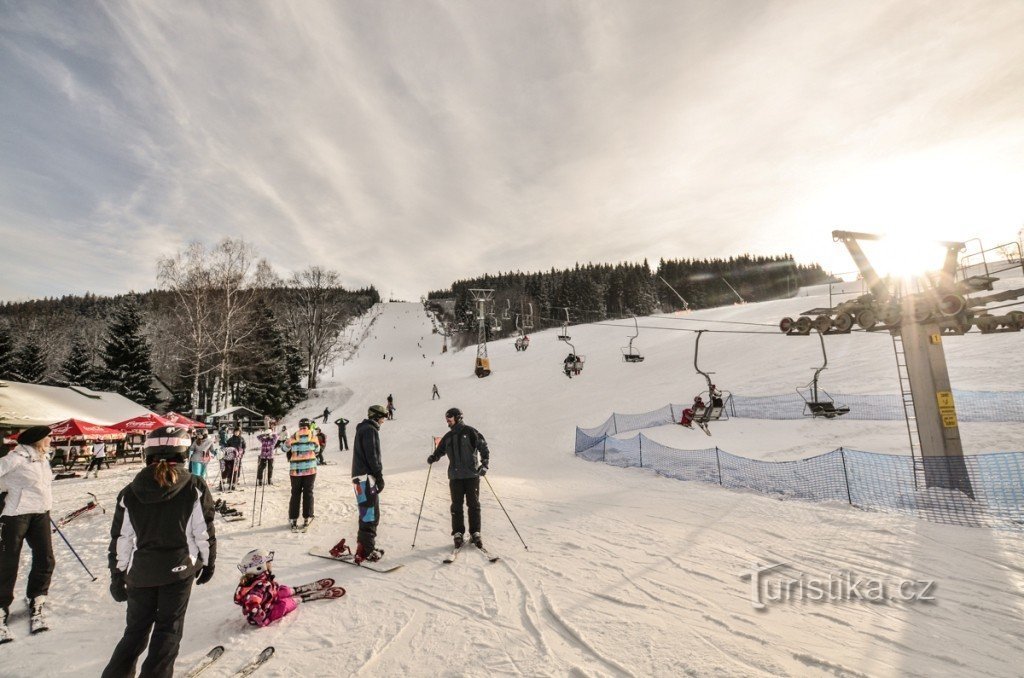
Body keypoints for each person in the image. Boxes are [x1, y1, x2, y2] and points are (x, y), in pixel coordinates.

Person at [102, 425, 215, 678]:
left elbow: (122, 539)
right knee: (168, 630)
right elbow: (203, 531)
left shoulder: (130, 491)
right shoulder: (194, 486)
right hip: (179, 570)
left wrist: (117, 575)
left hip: (141, 572)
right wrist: (208, 562)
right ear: (183, 453)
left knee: (135, 631)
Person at [0, 425, 56, 640]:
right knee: (7, 562)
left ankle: (37, 598)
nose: (51, 440)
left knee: (46, 558)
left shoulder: (43, 458)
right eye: (49, 437)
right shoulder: (15, 458)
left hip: (40, 513)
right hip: (15, 515)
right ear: (38, 439)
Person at [427, 407, 491, 549]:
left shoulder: (470, 432)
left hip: (471, 475)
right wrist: (434, 457)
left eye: (450, 419)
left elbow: (483, 447)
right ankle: (458, 533)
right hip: (455, 477)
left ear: (458, 418)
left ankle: (475, 533)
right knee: (456, 506)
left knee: (473, 504)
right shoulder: (448, 437)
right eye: (447, 420)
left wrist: (485, 464)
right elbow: (440, 450)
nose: (448, 422)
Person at [234, 549, 343, 627]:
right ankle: (298, 599)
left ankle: (295, 590)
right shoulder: (258, 588)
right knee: (284, 604)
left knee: (282, 590)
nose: (270, 564)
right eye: (268, 563)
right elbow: (252, 606)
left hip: (268, 599)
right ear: (259, 566)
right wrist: (264, 619)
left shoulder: (259, 579)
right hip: (268, 612)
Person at [350, 405, 387, 563]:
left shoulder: (363, 429)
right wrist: (379, 476)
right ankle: (367, 550)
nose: (384, 421)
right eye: (383, 417)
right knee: (370, 514)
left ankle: (363, 547)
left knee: (366, 512)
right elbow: (372, 456)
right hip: (366, 478)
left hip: (359, 477)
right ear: (377, 417)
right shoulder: (370, 430)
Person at [284, 419, 319, 531]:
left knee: (295, 493)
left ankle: (293, 518)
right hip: (310, 470)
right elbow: (318, 450)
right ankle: (307, 517)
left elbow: (284, 448)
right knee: (308, 492)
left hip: (296, 470)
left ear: (299, 426)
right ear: (309, 426)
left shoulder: (294, 436)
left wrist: (289, 445)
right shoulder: (313, 436)